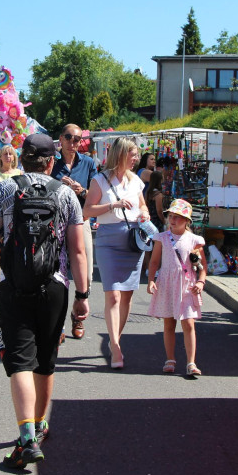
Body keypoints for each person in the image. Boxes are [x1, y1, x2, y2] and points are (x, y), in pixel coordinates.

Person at [0, 133, 88, 469]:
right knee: (45, 359)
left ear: (22, 159)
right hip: (56, 287)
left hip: (17, 284)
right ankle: (40, 424)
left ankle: (26, 435)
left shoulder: (6, 188)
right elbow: (78, 250)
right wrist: (82, 297)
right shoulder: (67, 194)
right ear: (51, 162)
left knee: (20, 361)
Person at [82, 136, 150, 369]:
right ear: (121, 155)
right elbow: (87, 211)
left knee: (128, 295)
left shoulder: (136, 181)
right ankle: (116, 347)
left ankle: (115, 340)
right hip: (109, 241)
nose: (136, 159)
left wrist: (145, 214)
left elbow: (143, 205)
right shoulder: (99, 180)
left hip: (133, 241)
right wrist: (112, 205)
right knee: (113, 295)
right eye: (133, 155)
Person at [146, 199, 206, 376]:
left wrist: (201, 282)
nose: (172, 220)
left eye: (178, 217)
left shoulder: (195, 240)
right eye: (171, 216)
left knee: (188, 323)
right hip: (167, 283)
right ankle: (170, 358)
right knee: (169, 322)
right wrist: (151, 280)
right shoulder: (162, 238)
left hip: (187, 285)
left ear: (187, 220)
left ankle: (191, 362)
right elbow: (155, 261)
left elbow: (203, 266)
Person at [50, 123, 97, 340]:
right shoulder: (51, 162)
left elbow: (97, 196)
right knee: (55, 275)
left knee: (85, 274)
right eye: (68, 137)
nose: (72, 142)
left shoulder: (87, 163)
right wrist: (57, 185)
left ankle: (77, 315)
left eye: (77, 139)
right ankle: (57, 324)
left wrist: (82, 190)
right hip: (56, 223)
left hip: (81, 222)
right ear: (60, 139)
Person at [0, 144, 20, 286]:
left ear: (14, 157)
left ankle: (12, 274)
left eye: (10, 154)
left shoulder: (20, 173)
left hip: (15, 215)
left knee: (15, 246)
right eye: (5, 154)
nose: (8, 156)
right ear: (0, 157)